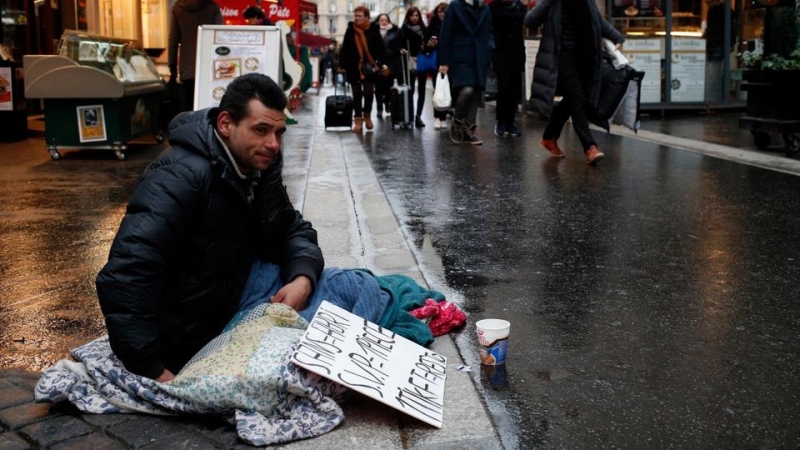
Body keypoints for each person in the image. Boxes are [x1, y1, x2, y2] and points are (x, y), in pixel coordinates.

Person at [96, 74, 324, 382]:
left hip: (236, 295)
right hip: (189, 337)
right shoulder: (179, 176)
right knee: (338, 307)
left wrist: (302, 277)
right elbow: (129, 272)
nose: (273, 144)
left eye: (279, 132)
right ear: (226, 124)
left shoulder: (256, 167)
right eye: (261, 130)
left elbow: (290, 226)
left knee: (348, 290)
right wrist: (150, 367)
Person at [524, 0, 624, 165]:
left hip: (584, 57)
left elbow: (597, 19)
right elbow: (530, 20)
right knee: (576, 98)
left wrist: (616, 36)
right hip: (563, 56)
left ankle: (549, 137)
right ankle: (589, 147)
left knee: (574, 100)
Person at [439, 0, 494, 145]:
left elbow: (489, 31)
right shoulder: (455, 6)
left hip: (479, 56)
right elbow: (445, 33)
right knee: (467, 90)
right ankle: (457, 123)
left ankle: (469, 130)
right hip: (460, 56)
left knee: (476, 92)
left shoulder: (485, 8)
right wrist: (443, 61)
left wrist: (489, 50)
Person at [338, 6, 386, 133]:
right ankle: (358, 120)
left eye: (360, 16)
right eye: (355, 16)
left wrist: (379, 63)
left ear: (366, 17)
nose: (357, 18)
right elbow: (345, 49)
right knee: (356, 94)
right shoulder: (350, 30)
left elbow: (381, 49)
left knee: (369, 93)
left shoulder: (374, 30)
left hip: (369, 68)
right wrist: (341, 65)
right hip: (353, 67)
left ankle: (367, 115)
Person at [168, 0, 223, 112]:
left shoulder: (178, 9)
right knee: (209, 107)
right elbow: (220, 36)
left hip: (187, 68)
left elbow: (173, 40)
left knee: (190, 106)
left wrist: (172, 65)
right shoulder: (213, 8)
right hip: (209, 67)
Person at [489, 0, 526, 137]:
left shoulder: (520, 7)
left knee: (515, 89)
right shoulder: (494, 7)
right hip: (500, 52)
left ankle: (510, 122)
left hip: (516, 53)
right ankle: (500, 121)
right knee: (504, 86)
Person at [395, 7, 435, 128]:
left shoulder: (424, 30)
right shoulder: (403, 30)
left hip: (421, 60)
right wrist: (400, 50)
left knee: (422, 90)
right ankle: (409, 116)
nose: (414, 18)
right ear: (408, 16)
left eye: (417, 15)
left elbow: (428, 48)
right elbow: (397, 46)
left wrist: (429, 45)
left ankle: (418, 117)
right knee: (410, 89)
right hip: (409, 61)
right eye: (412, 15)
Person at [703, 0, 736, 102]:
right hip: (715, 43)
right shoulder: (717, 10)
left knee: (715, 68)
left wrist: (731, 43)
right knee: (715, 68)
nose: (708, 4)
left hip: (718, 43)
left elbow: (730, 28)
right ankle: (718, 93)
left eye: (709, 2)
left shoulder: (722, 10)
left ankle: (716, 94)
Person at [427, 2, 450, 130]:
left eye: (444, 11)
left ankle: (444, 117)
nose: (442, 14)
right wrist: (431, 42)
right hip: (436, 60)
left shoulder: (451, 23)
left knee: (446, 88)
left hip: (448, 60)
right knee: (437, 89)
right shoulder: (433, 24)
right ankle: (437, 117)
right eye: (440, 11)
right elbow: (426, 41)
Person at [374, 14, 400, 117]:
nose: (383, 22)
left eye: (386, 20)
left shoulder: (394, 32)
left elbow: (396, 48)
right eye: (381, 20)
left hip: (391, 64)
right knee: (378, 88)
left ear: (389, 21)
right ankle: (379, 108)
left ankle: (387, 103)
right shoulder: (374, 32)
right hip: (378, 63)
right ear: (378, 21)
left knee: (388, 87)